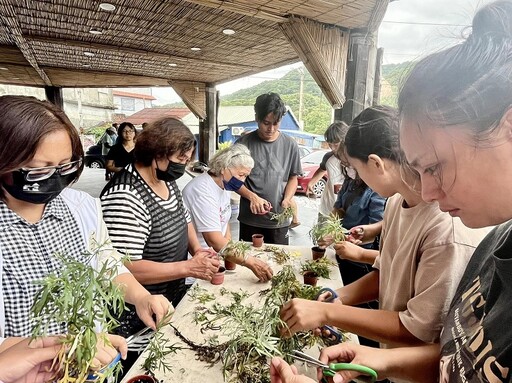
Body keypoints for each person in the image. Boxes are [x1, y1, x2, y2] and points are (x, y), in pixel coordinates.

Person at [272, 2, 512, 381]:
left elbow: (420, 329)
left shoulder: (452, 230)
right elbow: (458, 361)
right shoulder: (497, 242)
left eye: (435, 167)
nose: (428, 191)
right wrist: (375, 360)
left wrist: (333, 312)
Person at [279, 105, 488, 358]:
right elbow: (386, 275)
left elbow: (419, 329)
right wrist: (335, 298)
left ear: (376, 164)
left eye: (359, 170)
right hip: (388, 359)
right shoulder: (395, 203)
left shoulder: (445, 228)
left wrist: (328, 313)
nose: (361, 180)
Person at [0, 95, 171, 374]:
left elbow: (106, 263)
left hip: (89, 365)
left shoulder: (80, 208)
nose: (54, 178)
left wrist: (141, 297)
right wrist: (61, 348)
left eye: (65, 166)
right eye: (37, 170)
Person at [100, 117, 219, 339]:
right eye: (180, 159)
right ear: (157, 153)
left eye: (187, 159)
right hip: (138, 313)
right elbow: (126, 267)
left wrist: (197, 251)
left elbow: (184, 219)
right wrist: (188, 268)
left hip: (168, 300)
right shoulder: (125, 196)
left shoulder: (165, 179)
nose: (183, 165)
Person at [182, 144, 273, 282]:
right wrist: (250, 261)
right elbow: (214, 240)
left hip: (215, 259)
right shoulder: (203, 191)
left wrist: (231, 251)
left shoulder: (222, 185)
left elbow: (224, 220)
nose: (242, 181)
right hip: (198, 270)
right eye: (241, 175)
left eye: (245, 176)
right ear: (224, 168)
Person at [235, 92, 302, 245]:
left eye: (276, 123)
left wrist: (287, 198)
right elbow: (231, 180)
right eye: (266, 123)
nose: (271, 128)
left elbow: (293, 177)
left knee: (279, 263)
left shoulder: (290, 145)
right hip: (250, 220)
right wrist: (252, 197)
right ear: (257, 118)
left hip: (279, 221)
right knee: (249, 262)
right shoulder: (243, 144)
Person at [306, 122, 347, 219]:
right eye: (330, 144)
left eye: (336, 144)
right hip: (327, 209)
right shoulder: (328, 157)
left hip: (346, 212)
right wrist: (311, 183)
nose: (332, 148)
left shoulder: (355, 160)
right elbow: (321, 170)